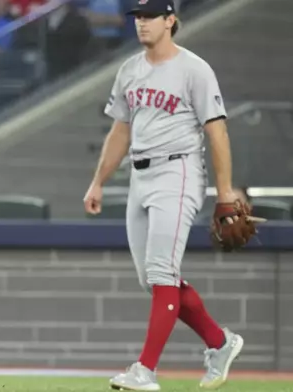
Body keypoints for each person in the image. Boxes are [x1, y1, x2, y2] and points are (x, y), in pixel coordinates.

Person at [82, 0, 243, 390]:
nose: (142, 23)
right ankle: (220, 343)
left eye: (151, 16)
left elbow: (217, 131)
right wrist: (98, 180)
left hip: (180, 170)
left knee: (161, 273)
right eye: (137, 17)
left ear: (171, 20)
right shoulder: (129, 70)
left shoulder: (194, 68)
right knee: (153, 279)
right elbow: (120, 130)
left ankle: (146, 370)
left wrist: (224, 193)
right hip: (139, 175)